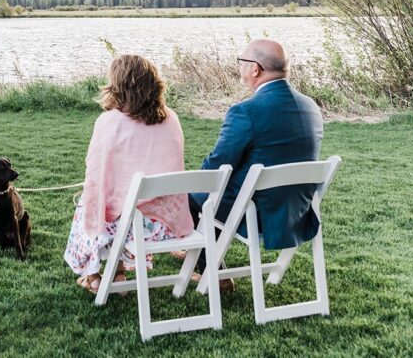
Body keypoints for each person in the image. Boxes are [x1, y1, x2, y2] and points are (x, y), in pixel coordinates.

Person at [186, 39, 323, 284]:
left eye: (241, 62)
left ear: (255, 69)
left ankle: (212, 271)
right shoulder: (310, 106)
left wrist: (196, 181)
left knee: (195, 195)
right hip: (297, 209)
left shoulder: (246, 111)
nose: (239, 68)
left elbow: (218, 166)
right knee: (216, 193)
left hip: (257, 212)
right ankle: (202, 254)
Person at [63, 54, 193, 293]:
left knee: (90, 205)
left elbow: (95, 175)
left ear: (117, 87)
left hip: (133, 224)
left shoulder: (110, 121)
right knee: (127, 204)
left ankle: (93, 276)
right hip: (164, 223)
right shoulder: (171, 118)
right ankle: (119, 271)